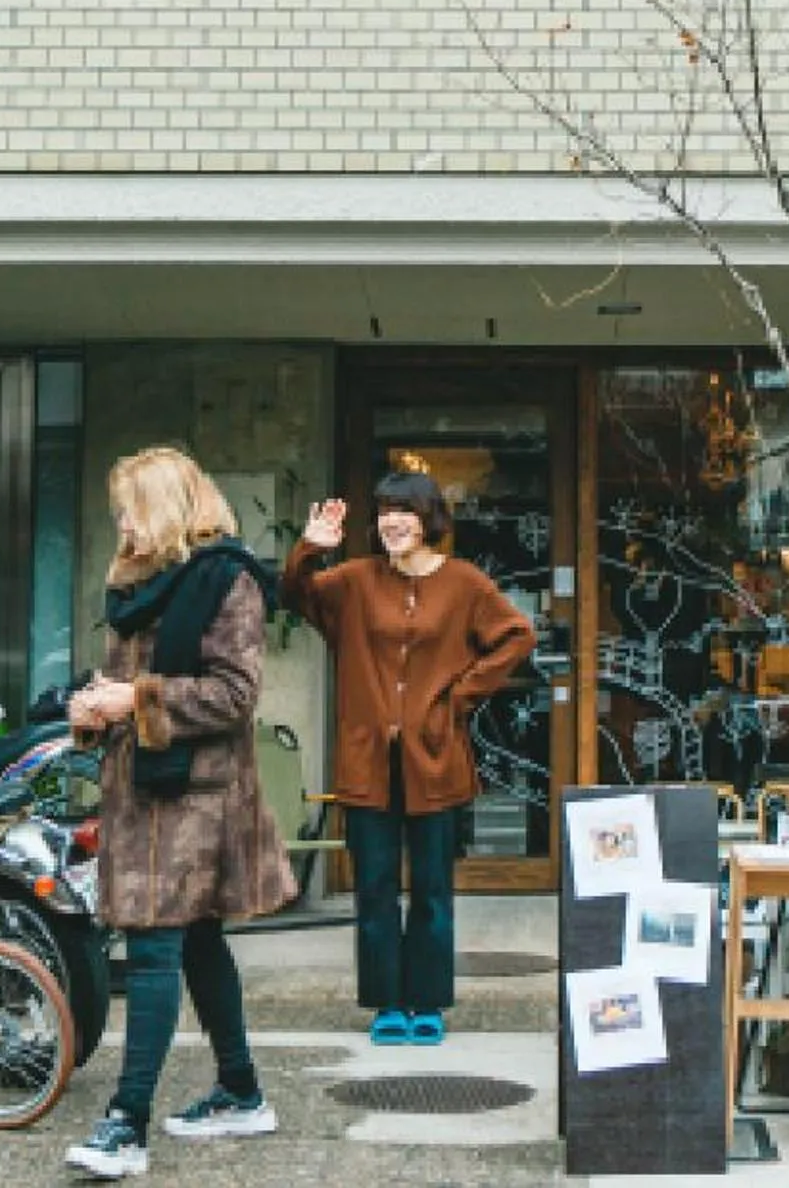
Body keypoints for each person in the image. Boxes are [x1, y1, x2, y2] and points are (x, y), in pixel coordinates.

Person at [63, 446, 298, 1180]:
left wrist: (133, 701)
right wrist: (95, 705)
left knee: (158, 944)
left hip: (197, 795)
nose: (122, 522)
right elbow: (134, 683)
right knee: (195, 942)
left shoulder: (228, 580)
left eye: (131, 507)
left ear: (166, 507)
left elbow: (234, 695)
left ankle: (126, 1125)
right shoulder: (141, 585)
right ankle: (241, 1089)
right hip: (143, 786)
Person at [282, 467, 536, 1044]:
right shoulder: (355, 580)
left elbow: (516, 635)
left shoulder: (465, 584)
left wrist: (456, 700)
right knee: (374, 887)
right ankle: (385, 1004)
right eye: (384, 511)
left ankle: (428, 1004)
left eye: (404, 510)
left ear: (429, 519)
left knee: (431, 888)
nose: (391, 521)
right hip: (367, 758)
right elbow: (294, 596)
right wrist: (308, 551)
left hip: (435, 758)